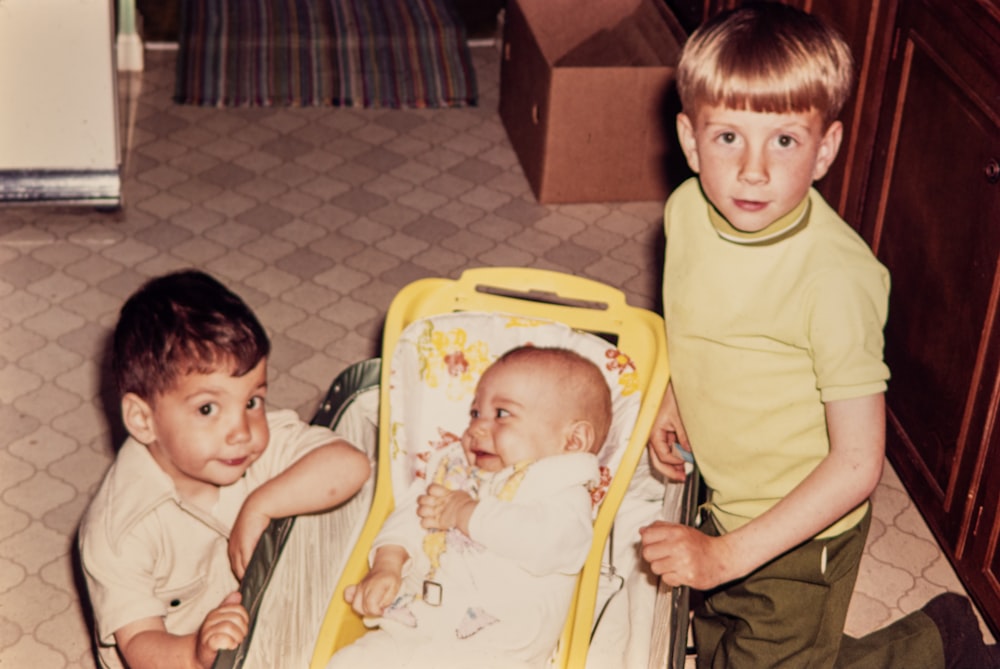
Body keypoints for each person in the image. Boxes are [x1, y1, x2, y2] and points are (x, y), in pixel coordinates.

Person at [639, 4, 999, 669]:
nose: (753, 169)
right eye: (727, 138)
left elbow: (859, 464)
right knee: (724, 633)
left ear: (825, 148)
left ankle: (935, 648)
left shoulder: (835, 279)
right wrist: (672, 394)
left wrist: (726, 555)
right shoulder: (686, 210)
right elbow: (693, 319)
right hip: (723, 496)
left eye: (784, 140)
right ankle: (935, 633)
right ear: (690, 142)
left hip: (803, 536)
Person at [78, 269, 371, 669]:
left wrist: (260, 505)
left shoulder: (251, 445)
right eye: (207, 409)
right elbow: (141, 645)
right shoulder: (118, 531)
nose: (241, 432)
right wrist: (196, 652)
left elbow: (351, 464)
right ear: (142, 419)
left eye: (253, 401)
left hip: (263, 623)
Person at [326, 345, 613, 669]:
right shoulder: (457, 472)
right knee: (349, 661)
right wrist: (388, 563)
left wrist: (466, 513)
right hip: (410, 632)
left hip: (493, 652)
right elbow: (412, 513)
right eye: (476, 413)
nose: (476, 427)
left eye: (502, 414)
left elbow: (550, 545)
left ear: (572, 441)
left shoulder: (561, 492)